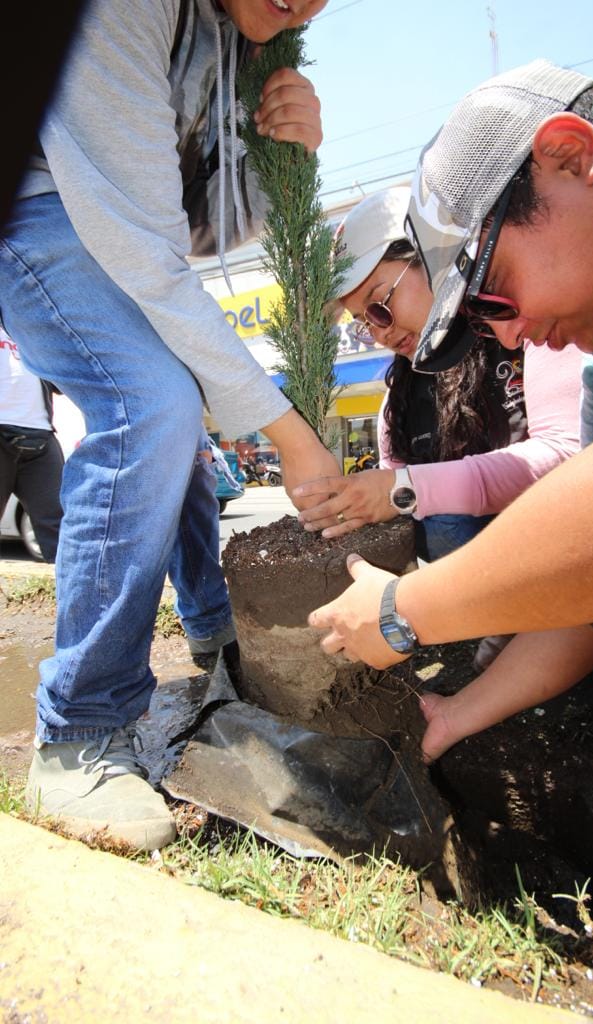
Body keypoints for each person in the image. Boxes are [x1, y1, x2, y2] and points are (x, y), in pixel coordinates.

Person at [0, 0, 337, 851]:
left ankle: (217, 630)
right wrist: (290, 435)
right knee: (149, 404)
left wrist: (281, 157)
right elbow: (150, 255)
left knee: (176, 417)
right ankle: (78, 734)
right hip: (38, 210)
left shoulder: (250, 41)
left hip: (120, 230)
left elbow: (199, 226)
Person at [307, 60, 593, 762]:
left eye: (497, 288)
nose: (508, 334)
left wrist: (404, 610)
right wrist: (455, 714)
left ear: (569, 155)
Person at [296, 184, 584, 669]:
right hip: (482, 572)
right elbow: (396, 492)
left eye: (379, 302)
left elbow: (565, 455)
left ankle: (523, 629)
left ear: (435, 257)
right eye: (363, 322)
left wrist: (404, 489)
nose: (380, 329)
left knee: (445, 518)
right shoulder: (403, 391)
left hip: (562, 546)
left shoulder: (526, 321)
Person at [0, 324, 64, 562]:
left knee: (61, 528)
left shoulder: (28, 327)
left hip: (40, 436)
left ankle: (71, 595)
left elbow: (62, 379)